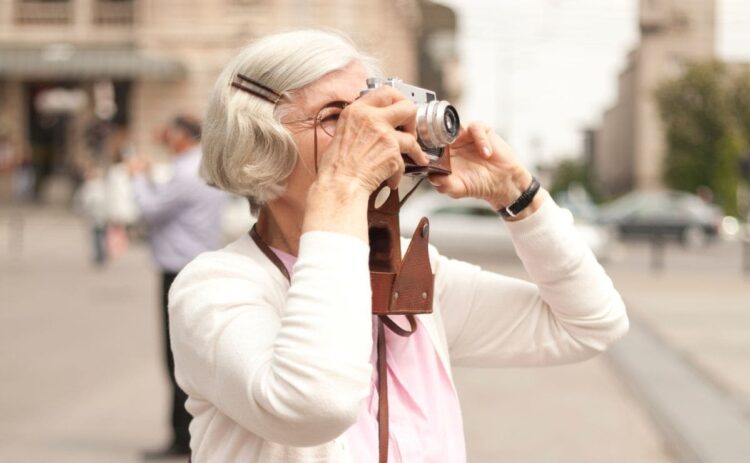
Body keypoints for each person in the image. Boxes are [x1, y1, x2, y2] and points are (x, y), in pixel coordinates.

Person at [168, 30, 629, 462]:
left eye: (368, 112)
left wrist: (518, 194)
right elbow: (315, 405)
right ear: (255, 142)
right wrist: (344, 185)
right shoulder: (214, 289)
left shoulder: (406, 269)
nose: (373, 134)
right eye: (335, 118)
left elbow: (588, 325)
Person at [128, 116, 226, 459]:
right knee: (189, 355)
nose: (167, 140)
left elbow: (149, 210)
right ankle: (185, 434)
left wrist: (138, 178)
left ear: (184, 136)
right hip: (197, 262)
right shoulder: (203, 166)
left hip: (178, 268)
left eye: (171, 134)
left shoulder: (186, 171)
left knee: (176, 357)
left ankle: (181, 437)